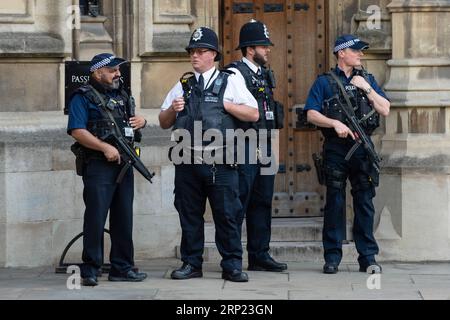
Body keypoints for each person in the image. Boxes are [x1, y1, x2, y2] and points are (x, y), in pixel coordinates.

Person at [159, 27, 259, 282]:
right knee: (189, 215)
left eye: (200, 51)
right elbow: (162, 121)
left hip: (221, 162)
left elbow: (253, 114)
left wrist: (225, 104)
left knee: (226, 214)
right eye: (192, 51)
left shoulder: (230, 81)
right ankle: (191, 263)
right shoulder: (183, 84)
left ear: (213, 54)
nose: (194, 56)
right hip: (187, 160)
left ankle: (232, 265)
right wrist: (173, 108)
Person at [304, 35, 390, 274]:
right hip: (336, 149)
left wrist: (368, 89)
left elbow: (385, 109)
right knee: (335, 203)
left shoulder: (368, 79)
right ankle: (332, 257)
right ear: (342, 53)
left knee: (364, 203)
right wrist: (333, 123)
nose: (361, 54)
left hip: (363, 149)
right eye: (356, 51)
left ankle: (368, 258)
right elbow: (311, 113)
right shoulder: (324, 82)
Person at [67, 53, 148, 286]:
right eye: (112, 70)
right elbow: (77, 130)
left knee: (124, 218)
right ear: (97, 72)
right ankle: (90, 269)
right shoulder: (82, 97)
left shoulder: (121, 94)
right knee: (95, 217)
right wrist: (104, 147)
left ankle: (122, 267)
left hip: (124, 165)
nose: (117, 73)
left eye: (118, 70)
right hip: (99, 166)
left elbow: (130, 124)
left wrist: (141, 122)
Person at [226, 20, 287, 272]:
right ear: (250, 49)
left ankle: (259, 255)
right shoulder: (234, 73)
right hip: (244, 145)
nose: (268, 49)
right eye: (264, 46)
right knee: (239, 202)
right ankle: (233, 258)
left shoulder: (263, 73)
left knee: (262, 201)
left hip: (264, 144)